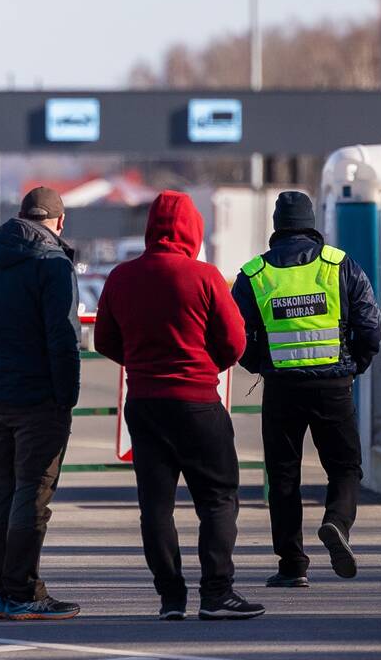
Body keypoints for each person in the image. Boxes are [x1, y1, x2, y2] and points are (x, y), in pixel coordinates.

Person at [94, 190, 263, 621]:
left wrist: (142, 364)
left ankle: (171, 598)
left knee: (155, 506)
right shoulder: (205, 277)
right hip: (197, 403)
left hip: (145, 405)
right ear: (193, 229)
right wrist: (207, 365)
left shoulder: (120, 277)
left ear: (151, 227)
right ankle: (217, 593)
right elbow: (235, 342)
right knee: (218, 499)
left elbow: (104, 341)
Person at [231, 191, 381, 588]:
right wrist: (354, 366)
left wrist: (262, 365)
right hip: (334, 386)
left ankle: (292, 565)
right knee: (345, 468)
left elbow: (235, 337)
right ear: (313, 223)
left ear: (277, 226)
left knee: (282, 478)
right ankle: (336, 523)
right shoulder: (339, 264)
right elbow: (370, 325)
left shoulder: (254, 274)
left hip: (281, 389)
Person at [0, 186, 82, 621]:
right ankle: (21, 590)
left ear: (20, 215)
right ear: (59, 221)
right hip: (40, 397)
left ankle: (3, 585)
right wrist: (66, 395)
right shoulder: (52, 264)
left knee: (5, 489)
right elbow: (63, 337)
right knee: (33, 493)